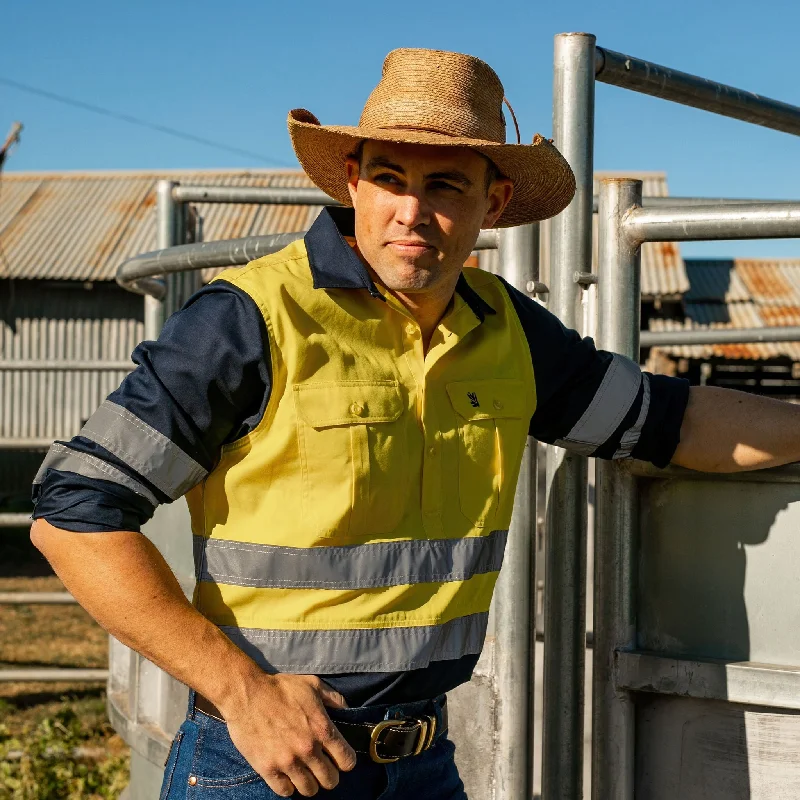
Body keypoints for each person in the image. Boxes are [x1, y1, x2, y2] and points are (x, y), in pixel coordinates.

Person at [29, 47, 800, 799]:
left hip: (422, 761)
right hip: (264, 762)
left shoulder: (509, 331)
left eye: (445, 186)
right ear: (353, 183)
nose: (412, 211)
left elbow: (669, 421)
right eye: (390, 178)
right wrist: (242, 692)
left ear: (492, 203)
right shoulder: (250, 319)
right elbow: (71, 513)